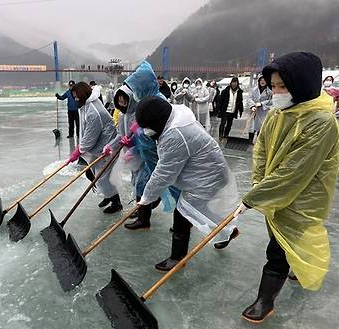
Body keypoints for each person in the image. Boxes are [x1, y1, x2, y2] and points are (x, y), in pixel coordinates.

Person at [239, 52, 339, 323]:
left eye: (282, 86)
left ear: (302, 84)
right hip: (274, 190)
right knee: (284, 241)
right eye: (273, 86)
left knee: (278, 248)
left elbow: (294, 172)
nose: (276, 92)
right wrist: (258, 182)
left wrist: (254, 197)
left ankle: (265, 301)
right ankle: (293, 266)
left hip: (303, 197)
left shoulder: (321, 121)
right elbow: (261, 148)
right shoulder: (279, 112)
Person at [134, 96, 239, 271]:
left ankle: (177, 257)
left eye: (148, 127)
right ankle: (227, 231)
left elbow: (164, 173)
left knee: (182, 212)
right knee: (199, 210)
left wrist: (146, 198)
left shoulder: (175, 134)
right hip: (206, 171)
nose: (146, 131)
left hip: (208, 176)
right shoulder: (173, 116)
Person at [107, 60, 172, 229]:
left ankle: (145, 219)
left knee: (147, 185)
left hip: (154, 154)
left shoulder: (157, 101)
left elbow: (155, 133)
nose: (122, 104)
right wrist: (124, 145)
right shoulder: (129, 111)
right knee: (140, 184)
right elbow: (125, 134)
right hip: (143, 153)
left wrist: (136, 140)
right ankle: (144, 210)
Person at [68, 82, 122, 213]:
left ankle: (116, 203)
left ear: (82, 95)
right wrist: (80, 146)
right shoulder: (86, 105)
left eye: (76, 96)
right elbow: (85, 131)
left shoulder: (93, 112)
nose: (75, 99)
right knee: (92, 173)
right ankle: (108, 195)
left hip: (106, 147)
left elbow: (90, 137)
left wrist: (79, 150)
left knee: (101, 176)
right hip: (97, 147)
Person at [247, 75, 273, 143]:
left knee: (261, 127)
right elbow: (249, 98)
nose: (262, 81)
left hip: (264, 112)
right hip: (254, 110)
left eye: (264, 80)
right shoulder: (254, 89)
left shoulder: (270, 91)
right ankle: (250, 141)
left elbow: (272, 101)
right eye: (261, 80)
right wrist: (252, 106)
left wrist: (262, 104)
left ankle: (259, 142)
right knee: (252, 127)